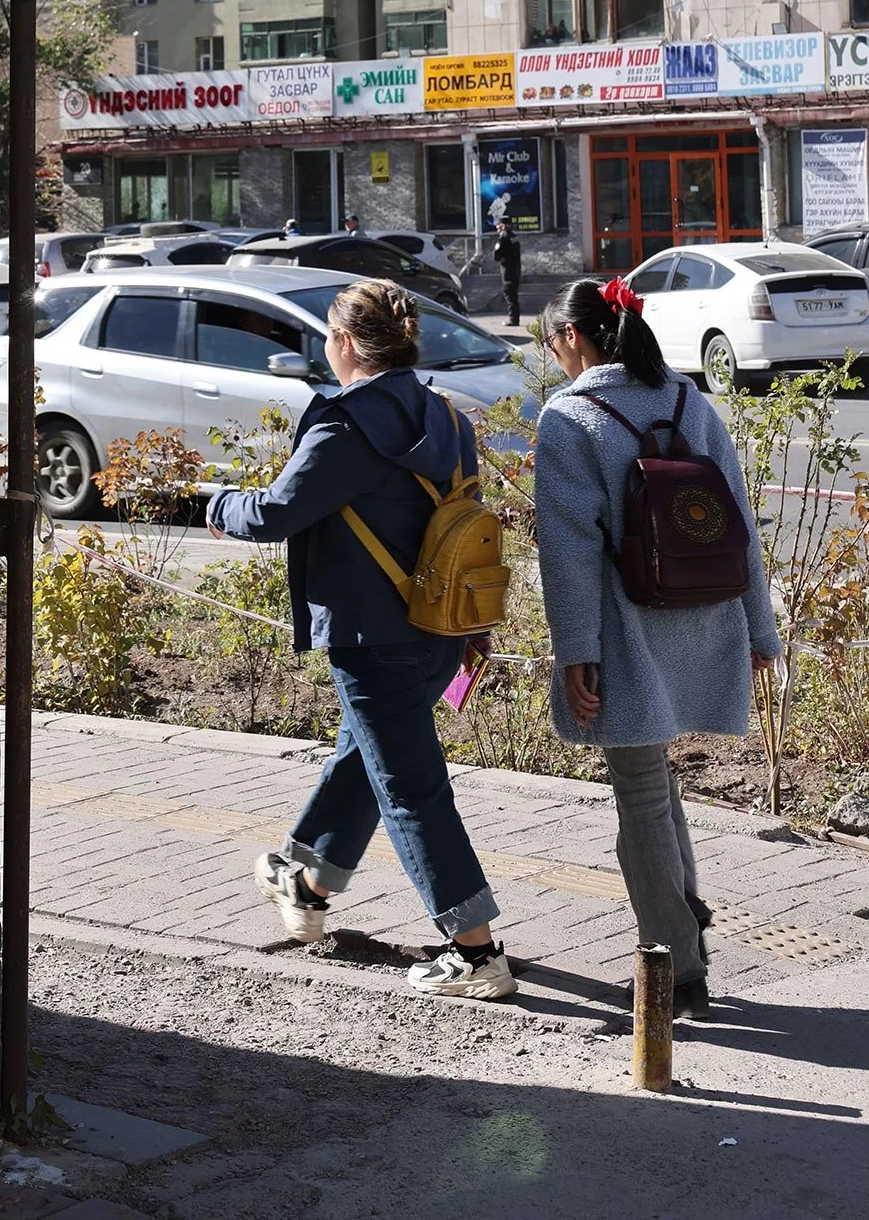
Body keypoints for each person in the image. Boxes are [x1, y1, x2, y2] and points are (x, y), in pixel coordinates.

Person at [206, 277, 514, 1000]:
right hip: (443, 623)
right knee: (368, 758)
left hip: (374, 634)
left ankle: (475, 953)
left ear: (344, 344)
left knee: (409, 787)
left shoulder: (348, 424)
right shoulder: (444, 415)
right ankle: (305, 882)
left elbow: (279, 511)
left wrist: (219, 502)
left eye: (326, 335)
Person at [534, 277, 782, 1017]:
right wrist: (759, 630)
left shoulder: (569, 417)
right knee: (657, 784)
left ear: (573, 338)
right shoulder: (687, 400)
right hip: (703, 618)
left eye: (551, 345)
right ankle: (688, 924)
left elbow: (568, 553)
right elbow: (739, 525)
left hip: (625, 632)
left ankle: (674, 963)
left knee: (641, 794)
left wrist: (576, 652)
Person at [491, 216, 522, 327]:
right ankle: (515, 318)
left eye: (498, 227)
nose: (497, 229)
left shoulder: (503, 236)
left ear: (503, 226)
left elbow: (496, 253)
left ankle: (513, 320)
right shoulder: (514, 236)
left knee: (509, 294)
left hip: (508, 271)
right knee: (513, 295)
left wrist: (499, 257)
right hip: (516, 270)